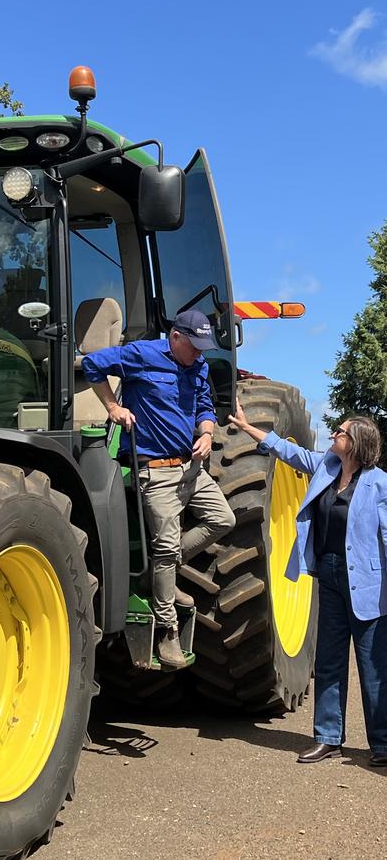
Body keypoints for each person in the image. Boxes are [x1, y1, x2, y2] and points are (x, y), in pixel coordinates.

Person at [228, 403, 387, 766]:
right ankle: (328, 737)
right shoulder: (327, 468)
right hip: (328, 576)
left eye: (341, 432)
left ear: (358, 442)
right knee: (330, 661)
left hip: (367, 582)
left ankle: (383, 743)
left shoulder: (380, 484)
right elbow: (289, 451)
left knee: (374, 665)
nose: (334, 434)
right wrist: (248, 427)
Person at [81, 309, 236, 669]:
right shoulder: (142, 354)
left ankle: (157, 576)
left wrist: (208, 433)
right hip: (155, 470)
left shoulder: (197, 367)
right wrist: (113, 406)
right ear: (176, 337)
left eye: (203, 348)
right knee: (165, 547)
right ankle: (166, 628)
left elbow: (204, 406)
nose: (199, 354)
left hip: (191, 468)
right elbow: (92, 364)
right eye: (194, 346)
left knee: (222, 519)